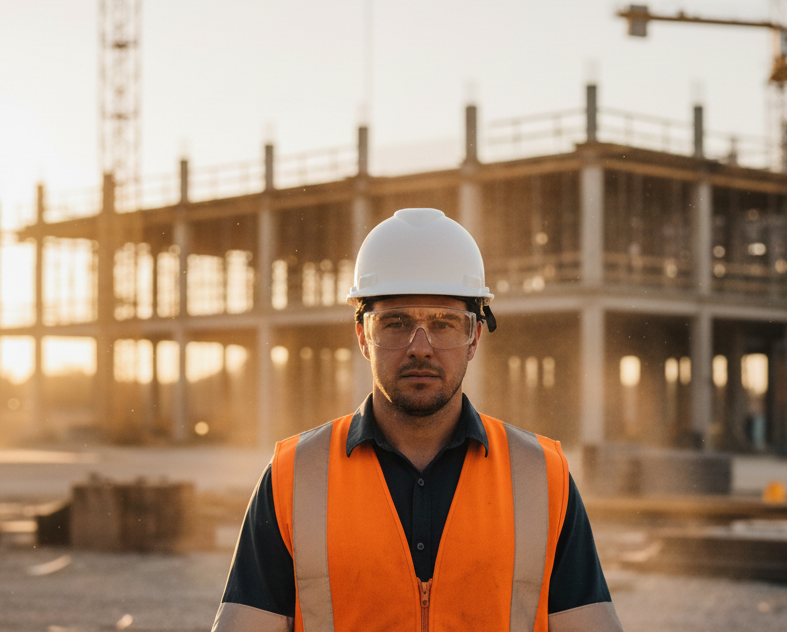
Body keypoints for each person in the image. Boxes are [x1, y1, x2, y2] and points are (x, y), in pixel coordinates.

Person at [212, 208, 622, 632]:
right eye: (396, 323)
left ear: (474, 338)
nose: (420, 347)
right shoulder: (292, 476)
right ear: (362, 337)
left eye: (444, 324)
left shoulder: (542, 476)